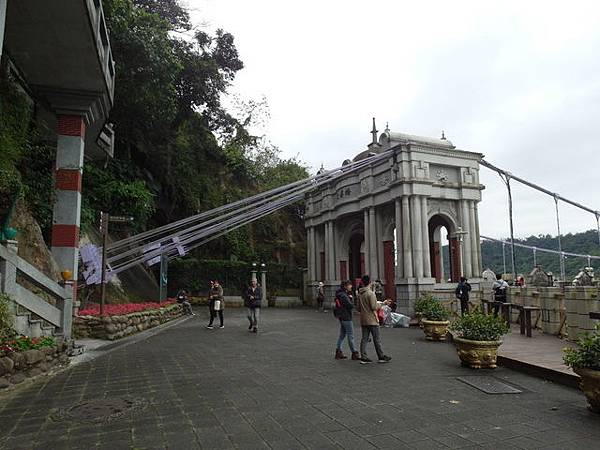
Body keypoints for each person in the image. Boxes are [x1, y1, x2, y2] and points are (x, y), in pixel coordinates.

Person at [357, 274, 391, 364]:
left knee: (364, 338)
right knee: (377, 339)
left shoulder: (360, 294)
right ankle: (381, 356)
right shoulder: (370, 293)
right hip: (372, 319)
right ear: (369, 282)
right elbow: (374, 306)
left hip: (363, 319)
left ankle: (363, 357)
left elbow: (358, 308)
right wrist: (383, 303)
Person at [334, 280, 359, 360]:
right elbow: (350, 305)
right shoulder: (344, 295)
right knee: (350, 335)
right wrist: (351, 299)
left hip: (342, 316)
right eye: (349, 285)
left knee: (342, 335)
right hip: (346, 317)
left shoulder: (340, 294)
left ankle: (338, 351)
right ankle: (354, 352)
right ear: (345, 286)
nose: (351, 286)